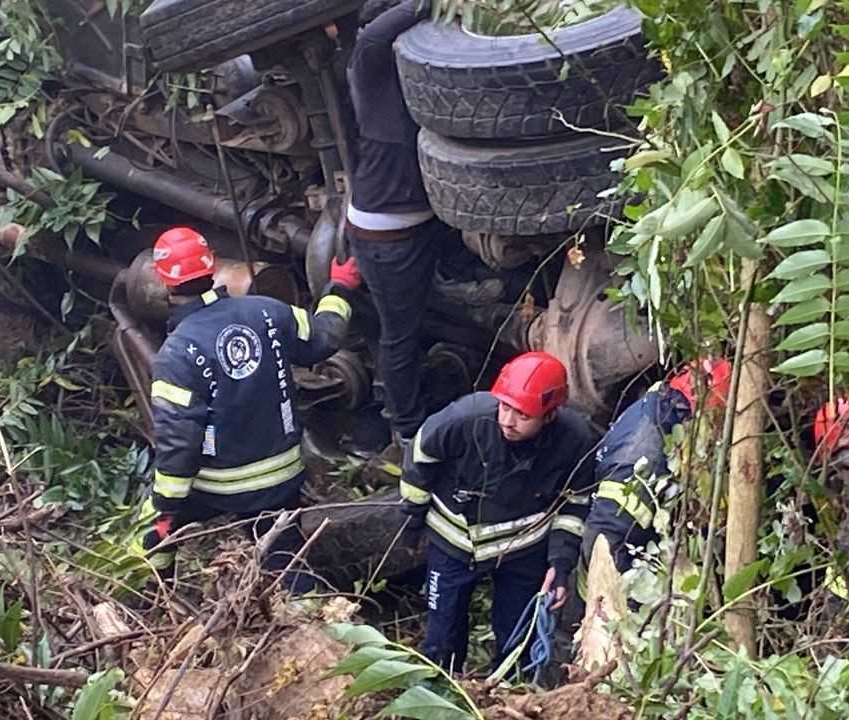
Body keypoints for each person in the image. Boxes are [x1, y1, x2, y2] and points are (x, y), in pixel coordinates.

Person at [132, 226, 361, 595]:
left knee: (148, 529)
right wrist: (339, 288)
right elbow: (325, 338)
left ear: (164, 281)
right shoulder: (269, 311)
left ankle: (151, 599)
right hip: (281, 477)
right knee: (281, 561)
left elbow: (179, 442)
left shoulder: (176, 353)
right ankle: (309, 617)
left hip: (220, 485)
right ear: (213, 267)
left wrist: (165, 507)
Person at [397, 351, 598, 673]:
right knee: (441, 639)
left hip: (523, 551)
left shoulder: (575, 441)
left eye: (522, 415)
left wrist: (559, 564)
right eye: (504, 407)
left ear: (549, 415)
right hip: (454, 544)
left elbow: (574, 504)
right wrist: (412, 521)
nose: (507, 421)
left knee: (517, 644)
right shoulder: (463, 419)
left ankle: (507, 696)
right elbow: (418, 459)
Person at [345, 0, 459, 450]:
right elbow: (372, 37)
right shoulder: (369, 72)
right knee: (401, 335)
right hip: (386, 233)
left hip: (424, 223)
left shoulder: (420, 79)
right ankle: (408, 427)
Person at [581, 358, 732, 573]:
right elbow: (605, 539)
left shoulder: (664, 403)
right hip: (615, 583)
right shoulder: (644, 456)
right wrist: (627, 602)